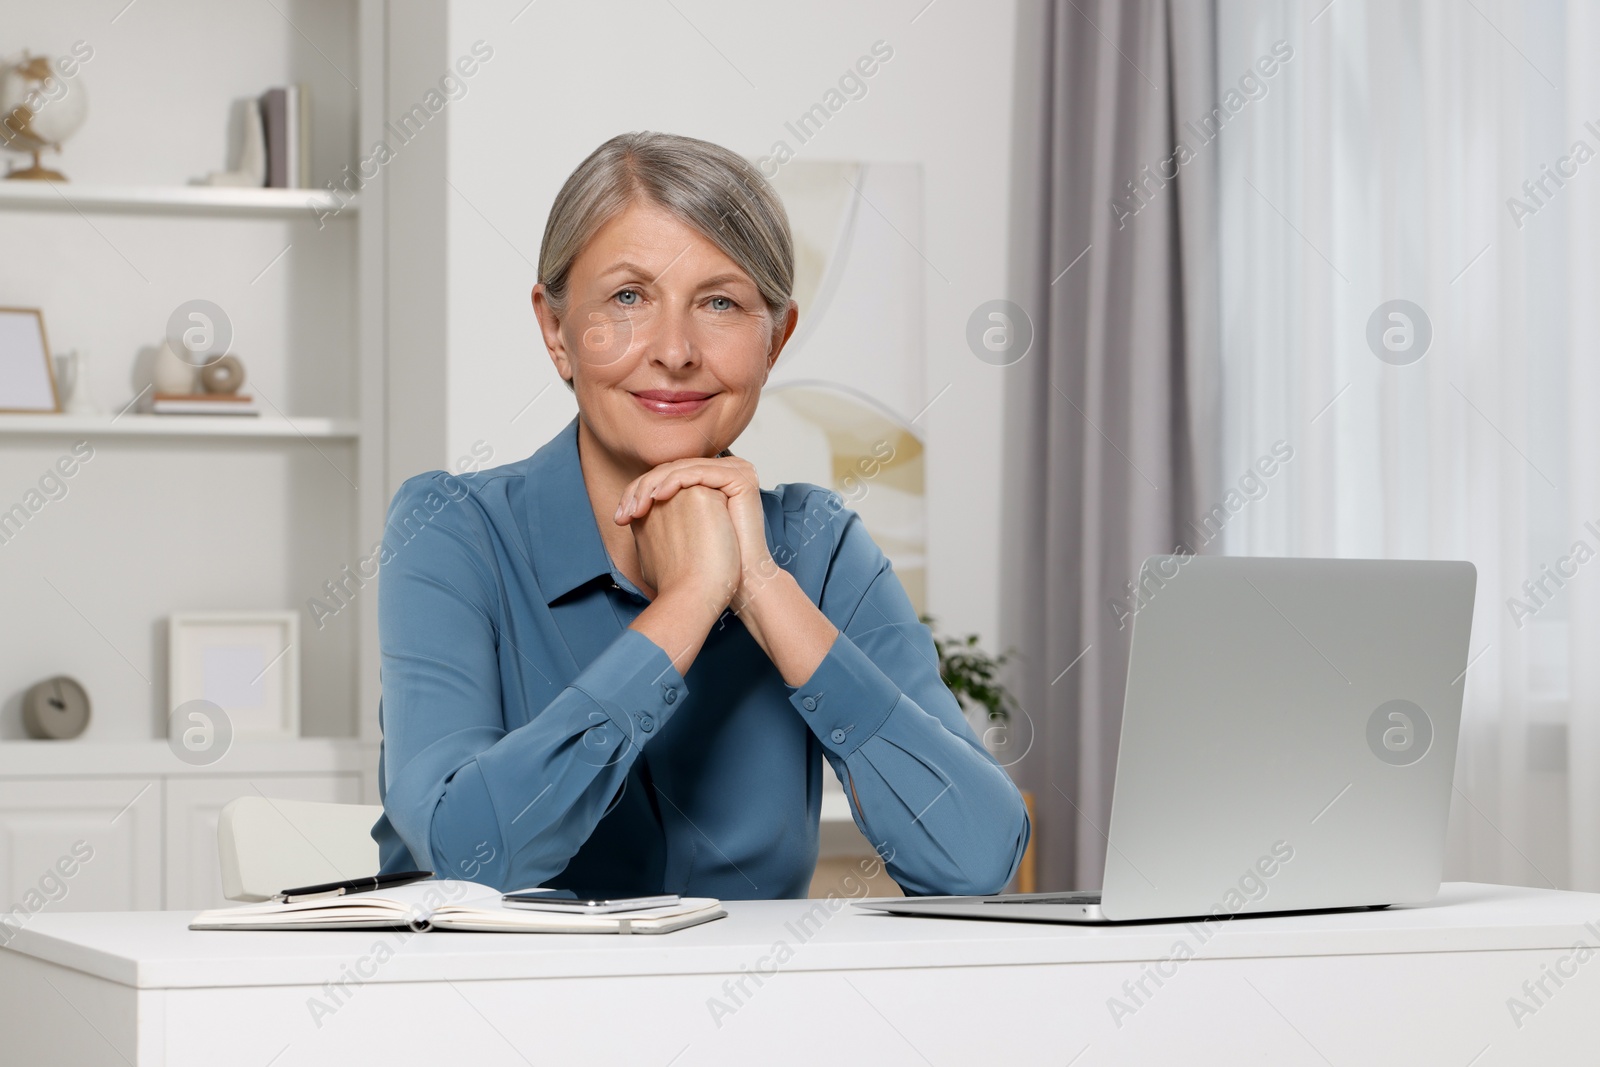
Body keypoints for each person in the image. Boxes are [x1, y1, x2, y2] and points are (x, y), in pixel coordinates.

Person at [370, 131, 1029, 899]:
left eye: (720, 302)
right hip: (491, 1011)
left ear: (774, 339)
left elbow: (977, 859)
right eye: (627, 297)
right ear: (557, 331)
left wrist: (759, 585)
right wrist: (687, 604)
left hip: (750, 1013)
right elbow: (472, 858)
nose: (676, 350)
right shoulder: (451, 532)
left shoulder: (819, 550)